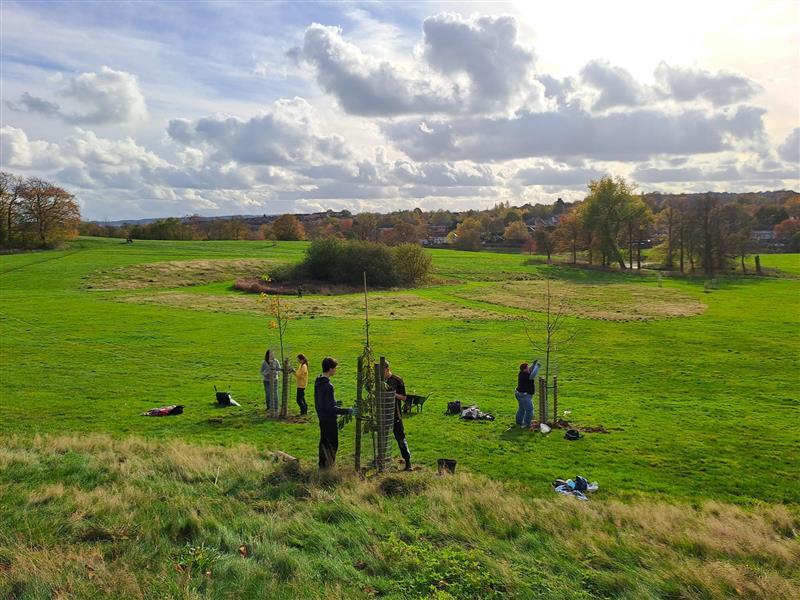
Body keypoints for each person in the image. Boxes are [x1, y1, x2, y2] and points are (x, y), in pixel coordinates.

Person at [314, 357, 355, 469]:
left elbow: (321, 402)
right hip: (329, 420)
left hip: (322, 419)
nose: (335, 370)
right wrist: (348, 411)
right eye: (335, 368)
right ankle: (329, 468)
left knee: (323, 443)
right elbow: (331, 409)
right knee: (332, 444)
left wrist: (334, 402)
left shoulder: (318, 381)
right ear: (330, 369)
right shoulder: (328, 386)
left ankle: (322, 467)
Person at [384, 362, 412, 471]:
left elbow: (404, 397)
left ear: (387, 369)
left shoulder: (397, 380)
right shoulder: (379, 381)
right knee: (383, 437)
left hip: (395, 415)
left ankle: (408, 462)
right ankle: (381, 459)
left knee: (400, 438)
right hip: (383, 414)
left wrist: (392, 395)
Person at [515, 359, 540, 428]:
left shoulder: (522, 372)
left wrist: (534, 364)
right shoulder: (526, 375)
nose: (529, 368)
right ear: (525, 369)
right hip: (524, 395)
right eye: (527, 368)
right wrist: (537, 367)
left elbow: (530, 369)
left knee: (522, 408)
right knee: (529, 410)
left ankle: (519, 423)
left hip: (519, 393)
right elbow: (533, 374)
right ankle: (527, 424)